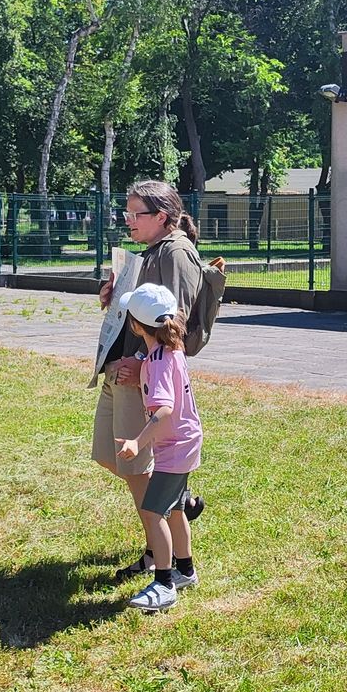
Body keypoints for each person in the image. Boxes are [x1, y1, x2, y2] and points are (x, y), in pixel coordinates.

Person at [96, 181, 207, 581]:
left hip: (138, 376)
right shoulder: (151, 250)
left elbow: (173, 320)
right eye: (126, 213)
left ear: (161, 216)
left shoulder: (176, 252)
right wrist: (115, 296)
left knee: (135, 468)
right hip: (121, 369)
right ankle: (177, 498)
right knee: (110, 455)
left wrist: (142, 362)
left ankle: (159, 553)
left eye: (135, 214)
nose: (128, 220)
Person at [113, 283, 204, 613]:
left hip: (175, 448)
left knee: (154, 512)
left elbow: (164, 409)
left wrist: (137, 442)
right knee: (175, 509)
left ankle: (164, 584)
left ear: (137, 326)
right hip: (184, 443)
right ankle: (186, 571)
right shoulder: (170, 350)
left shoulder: (159, 361)